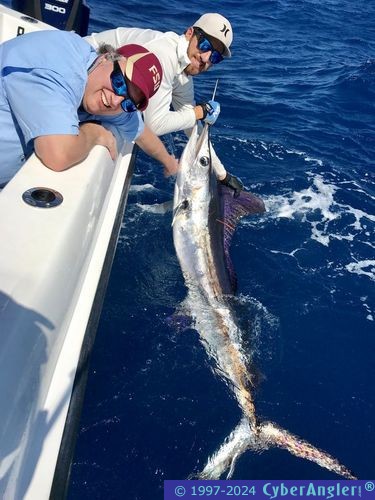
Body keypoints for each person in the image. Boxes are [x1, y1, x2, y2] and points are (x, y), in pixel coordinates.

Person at [85, 13, 244, 196]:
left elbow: (191, 126)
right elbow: (155, 125)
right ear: (189, 33)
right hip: (84, 70)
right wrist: (200, 112)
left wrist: (222, 175)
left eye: (215, 57)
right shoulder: (164, 55)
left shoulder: (183, 75)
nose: (206, 58)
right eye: (205, 45)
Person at [0, 29, 178, 187]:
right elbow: (57, 156)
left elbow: (140, 131)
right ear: (106, 57)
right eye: (120, 83)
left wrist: (169, 163)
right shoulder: (58, 70)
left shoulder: (107, 91)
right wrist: (93, 133)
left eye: (129, 102)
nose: (115, 101)